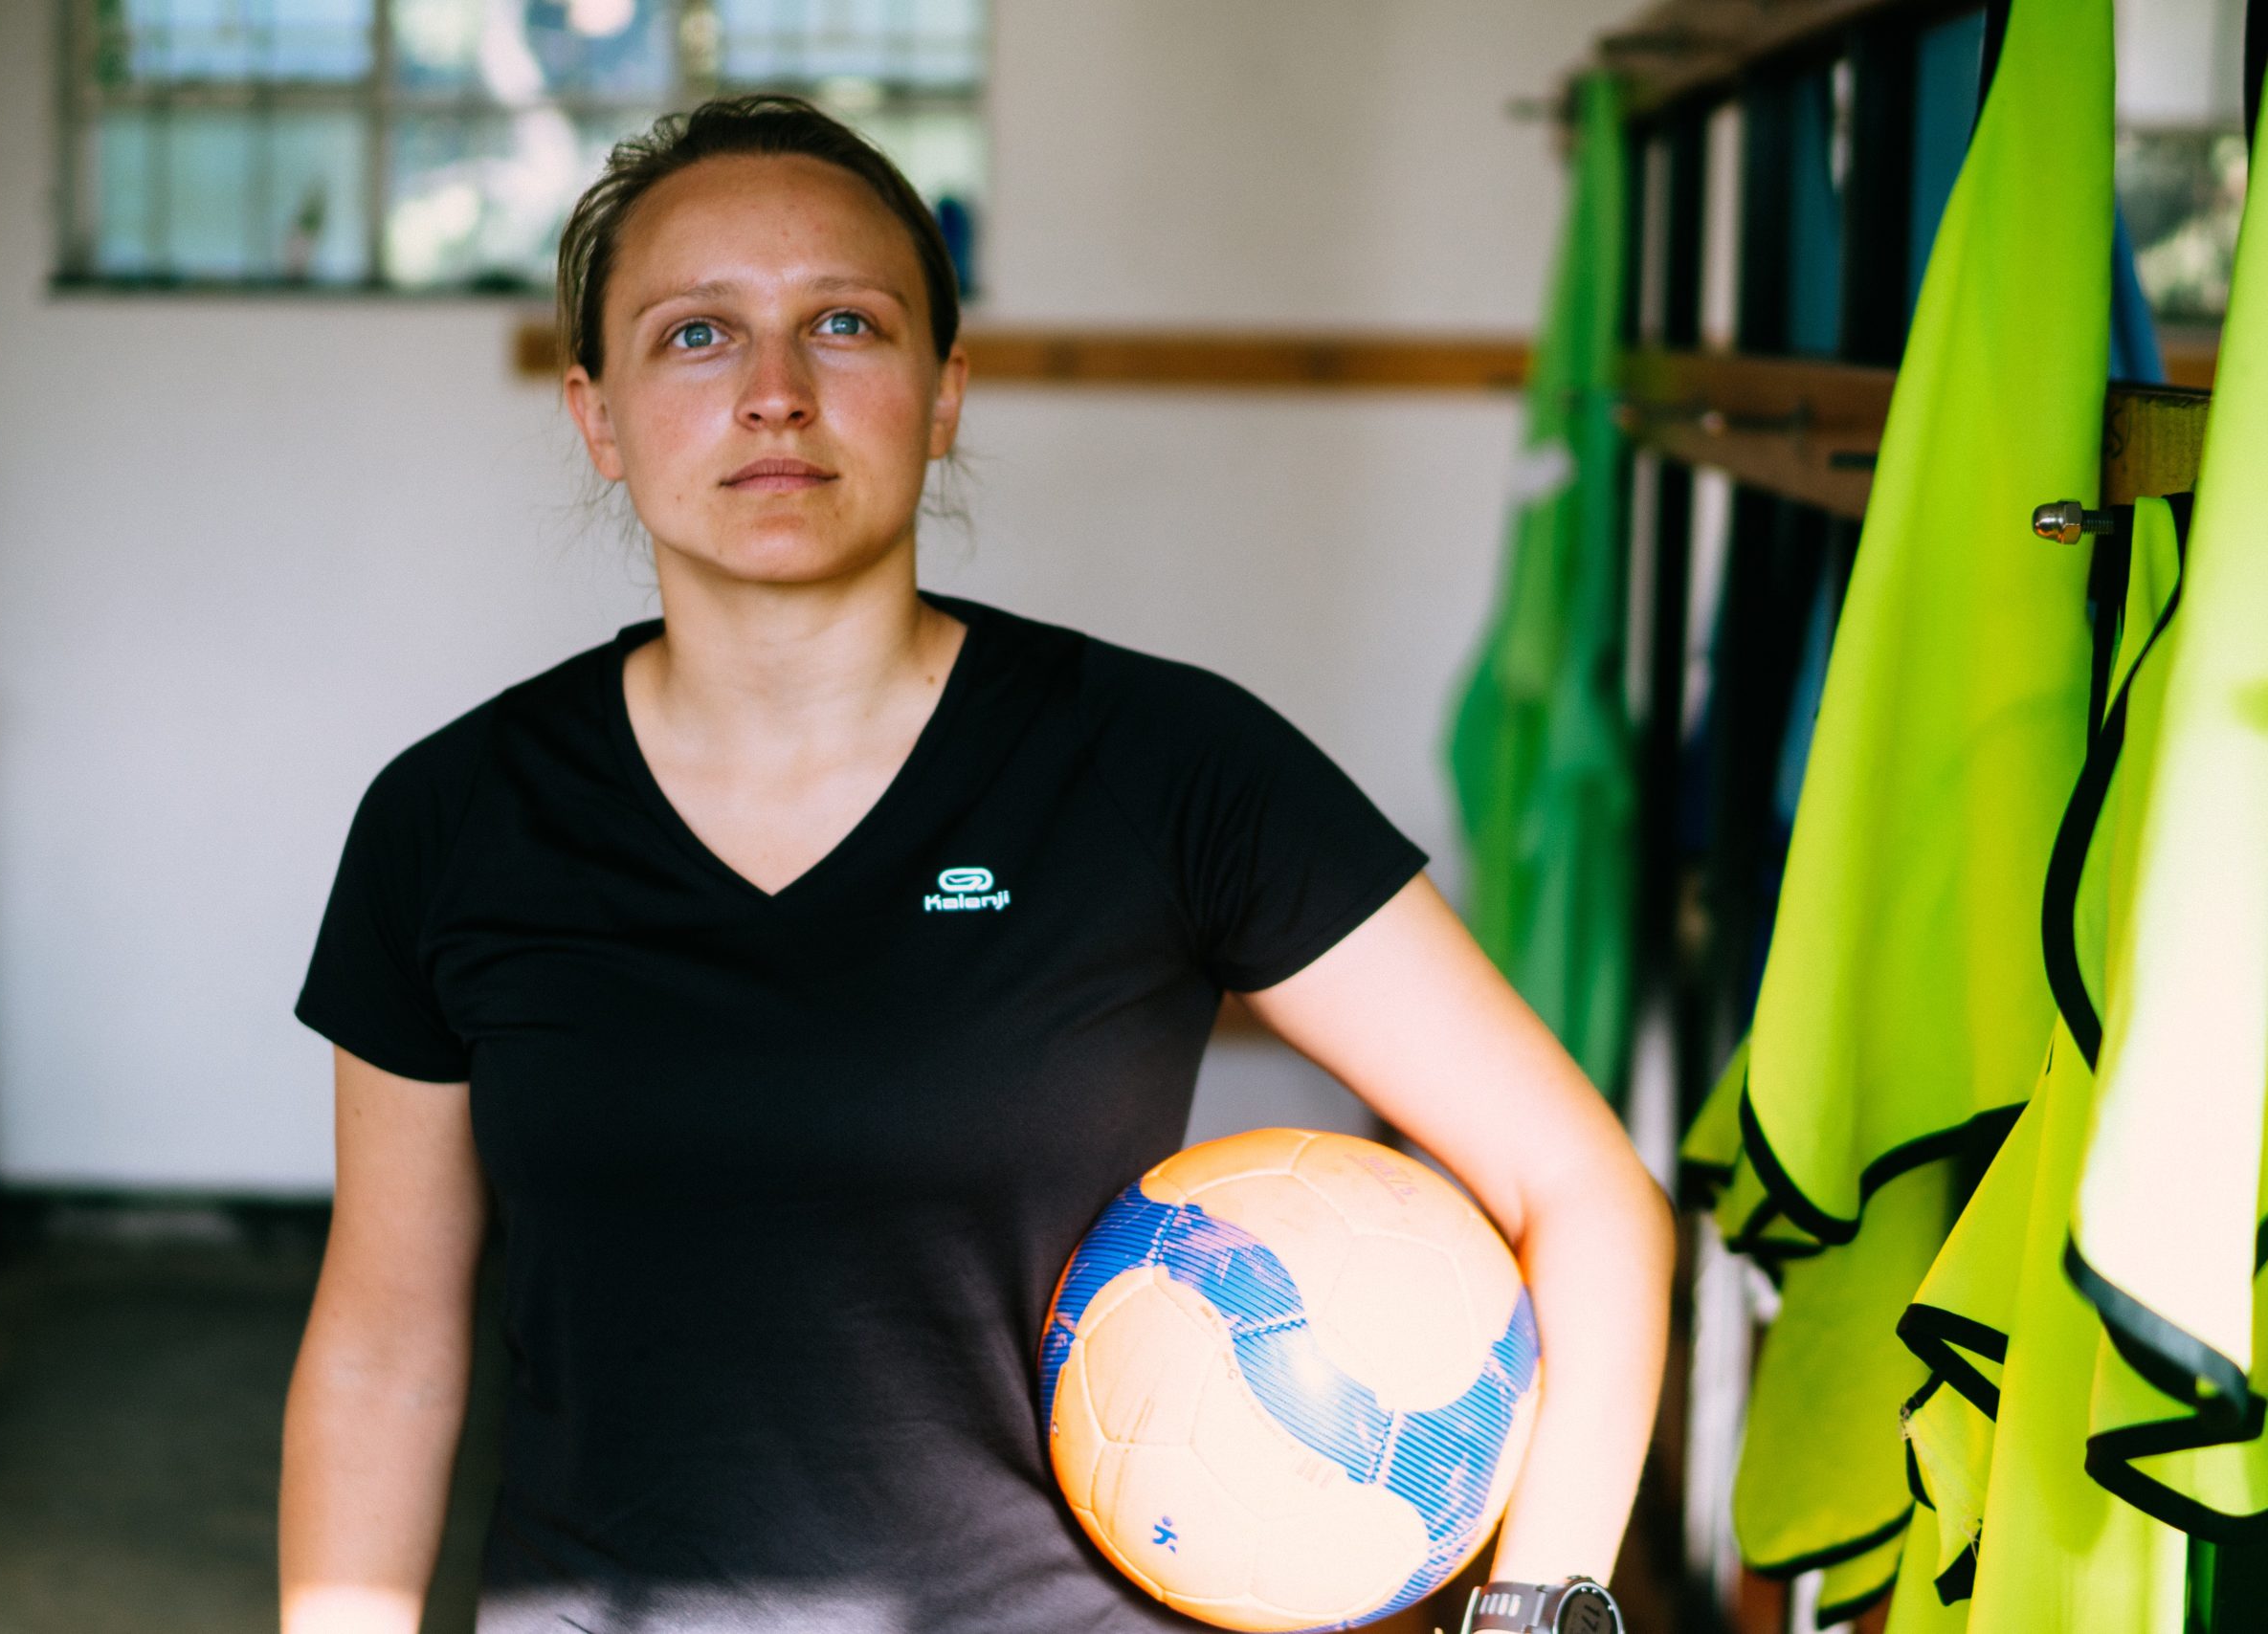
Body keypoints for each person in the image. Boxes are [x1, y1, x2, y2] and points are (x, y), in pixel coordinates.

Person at [279, 96, 1672, 1634]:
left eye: (847, 326)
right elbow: (385, 1346)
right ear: (596, 415)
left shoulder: (1165, 767)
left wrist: (1534, 1611)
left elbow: (1586, 1193)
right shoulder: (453, 818)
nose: (775, 394)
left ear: (944, 393)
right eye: (694, 335)